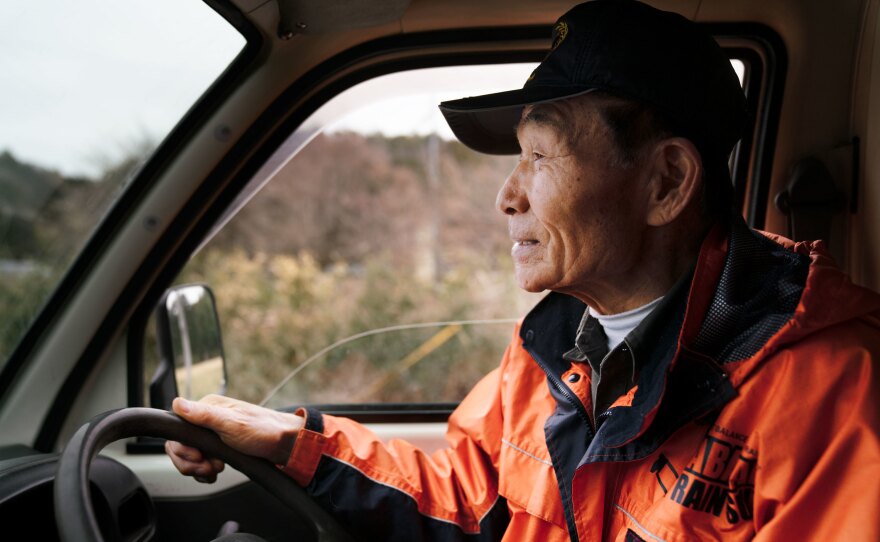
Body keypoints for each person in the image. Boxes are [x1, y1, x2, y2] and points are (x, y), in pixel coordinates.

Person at [166, 1, 880, 540]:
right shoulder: (553, 350)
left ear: (665, 183)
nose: (507, 197)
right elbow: (470, 495)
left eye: (540, 158)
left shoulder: (827, 394)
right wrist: (294, 442)